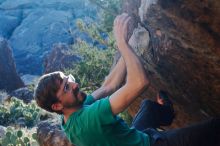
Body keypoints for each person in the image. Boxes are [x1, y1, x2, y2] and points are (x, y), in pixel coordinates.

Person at [34, 13, 220, 146]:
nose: (75, 84)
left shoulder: (71, 116)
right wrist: (121, 44)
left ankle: (168, 113)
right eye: (66, 87)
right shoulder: (90, 119)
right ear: (57, 106)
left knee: (148, 107)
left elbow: (109, 86)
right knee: (214, 128)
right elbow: (139, 83)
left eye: (69, 79)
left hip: (132, 137)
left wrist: (129, 45)